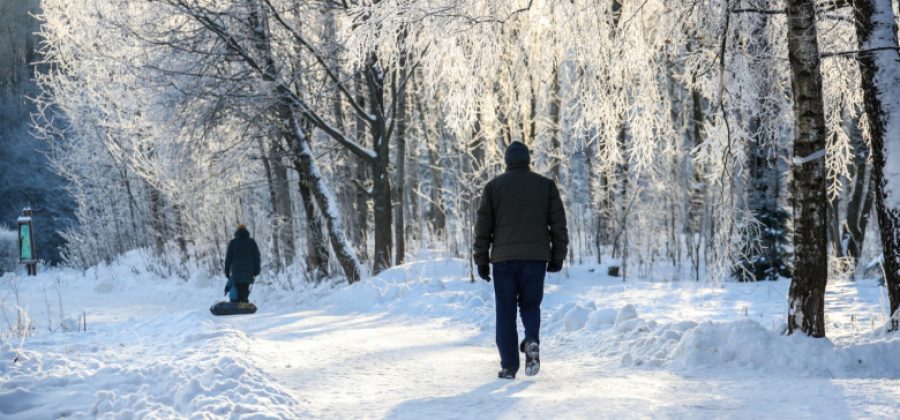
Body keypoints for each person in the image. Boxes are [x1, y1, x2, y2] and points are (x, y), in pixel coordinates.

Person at [473, 141, 569, 380]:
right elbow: (559, 225)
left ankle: (509, 366)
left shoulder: (493, 187)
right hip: (535, 259)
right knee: (530, 304)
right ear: (528, 160)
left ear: (507, 162)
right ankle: (532, 339)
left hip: (504, 261)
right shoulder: (545, 186)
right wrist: (557, 256)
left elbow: (483, 227)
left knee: (505, 311)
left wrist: (481, 259)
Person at [224, 224, 261, 303]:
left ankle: (237, 303)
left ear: (237, 232)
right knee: (245, 287)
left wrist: (226, 271)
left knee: (237, 287)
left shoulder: (233, 243)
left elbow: (228, 259)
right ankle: (244, 302)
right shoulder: (252, 242)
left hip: (236, 271)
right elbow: (257, 257)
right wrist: (257, 270)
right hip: (249, 271)